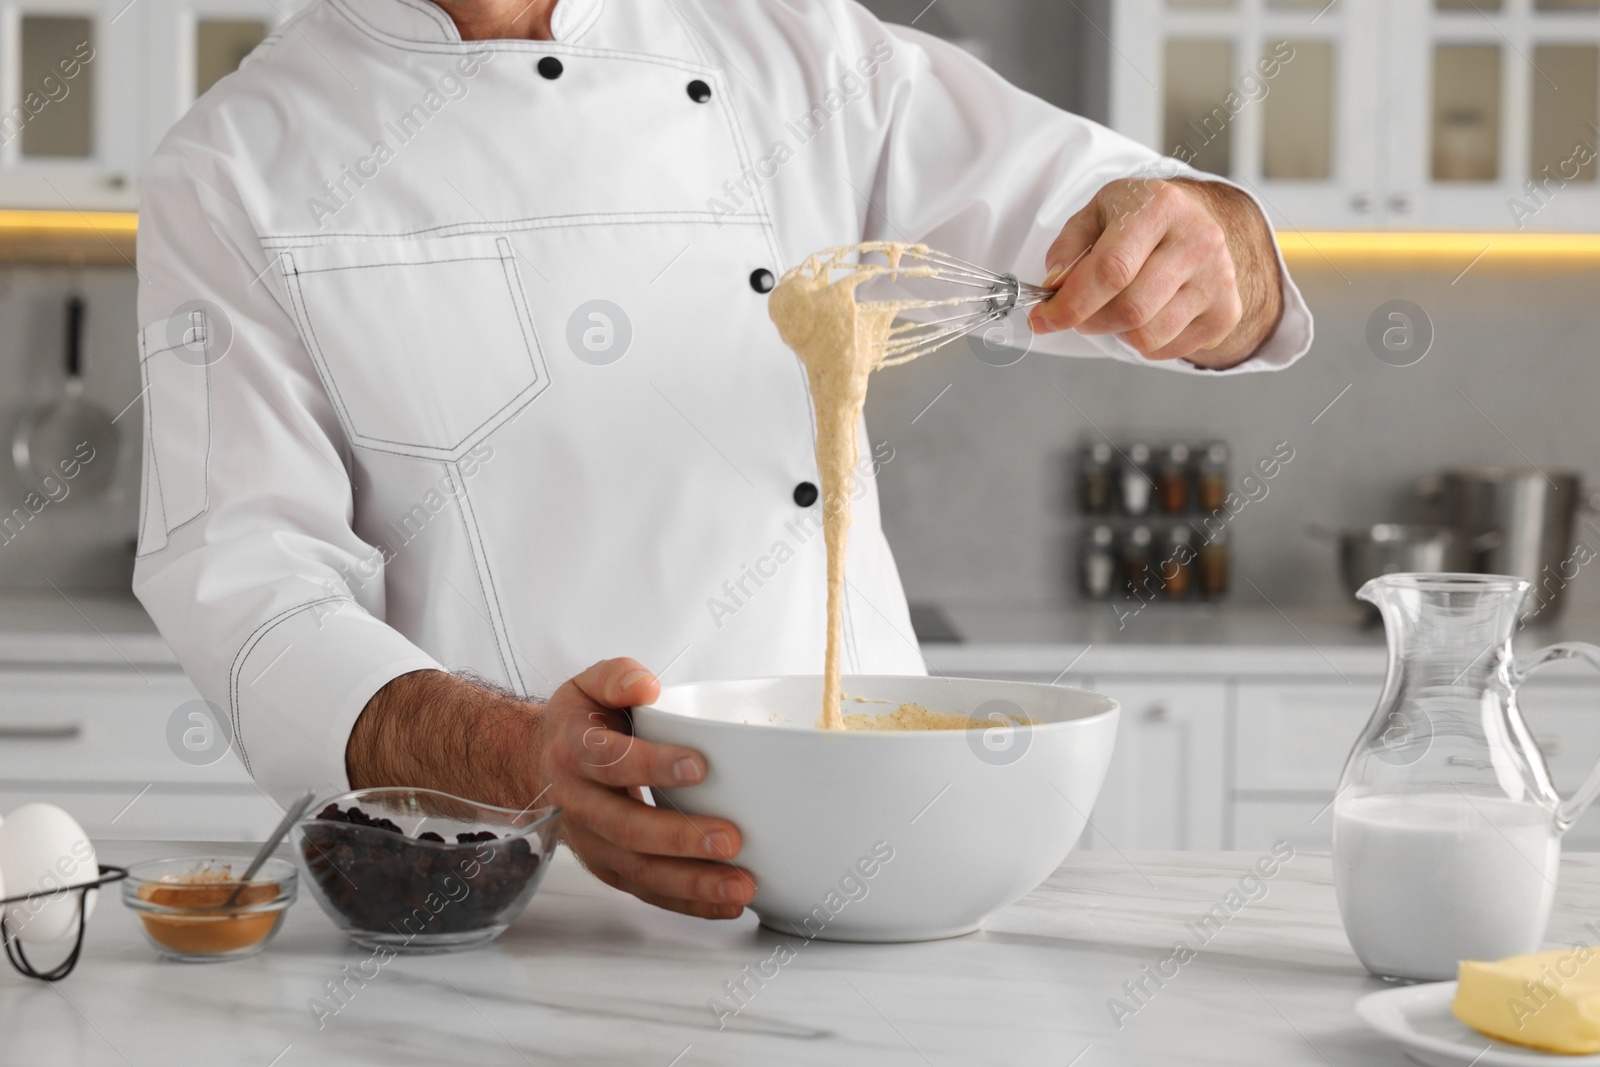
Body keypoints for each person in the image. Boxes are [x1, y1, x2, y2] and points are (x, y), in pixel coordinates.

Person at [134, 0, 1313, 922]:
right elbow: (242, 580)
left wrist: (1214, 254)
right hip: (515, 895)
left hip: (882, 858)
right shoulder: (234, 166)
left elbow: (1142, 223)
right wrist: (525, 754)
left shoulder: (796, 53)